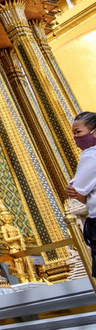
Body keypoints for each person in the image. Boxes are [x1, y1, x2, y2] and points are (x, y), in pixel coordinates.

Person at [66, 111, 96, 270]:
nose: (76, 137)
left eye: (78, 132)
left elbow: (76, 190)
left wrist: (76, 191)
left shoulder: (91, 155)